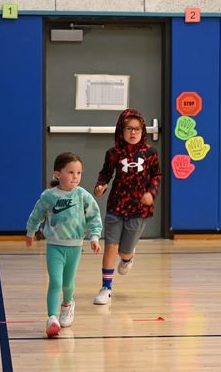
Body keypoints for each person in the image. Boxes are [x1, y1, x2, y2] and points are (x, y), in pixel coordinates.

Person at [26, 152, 102, 338]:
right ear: (57, 174)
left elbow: (94, 217)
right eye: (71, 172)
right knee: (56, 281)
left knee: (68, 284)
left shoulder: (83, 196)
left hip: (75, 246)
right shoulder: (49, 196)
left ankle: (67, 304)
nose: (75, 177)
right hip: (54, 246)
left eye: (79, 173)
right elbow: (37, 214)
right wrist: (30, 232)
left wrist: (94, 237)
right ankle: (52, 317)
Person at [92, 109, 162, 305]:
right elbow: (105, 174)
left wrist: (151, 193)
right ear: (120, 130)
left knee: (123, 251)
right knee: (110, 247)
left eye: (137, 129)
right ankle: (106, 288)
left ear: (142, 131)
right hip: (116, 205)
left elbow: (157, 175)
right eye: (129, 128)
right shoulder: (113, 153)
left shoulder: (150, 153)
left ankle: (128, 257)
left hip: (139, 209)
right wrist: (100, 186)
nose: (133, 132)